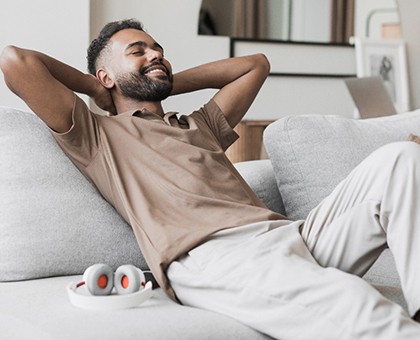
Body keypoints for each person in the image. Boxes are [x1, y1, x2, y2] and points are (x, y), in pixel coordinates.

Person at [1, 19, 420, 339]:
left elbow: (255, 66)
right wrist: (97, 89)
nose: (155, 54)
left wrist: (156, 81)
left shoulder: (198, 125)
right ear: (105, 74)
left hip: (292, 238)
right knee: (358, 306)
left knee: (400, 160)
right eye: (138, 50)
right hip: (216, 256)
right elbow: (16, 62)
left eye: (159, 50)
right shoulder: (98, 136)